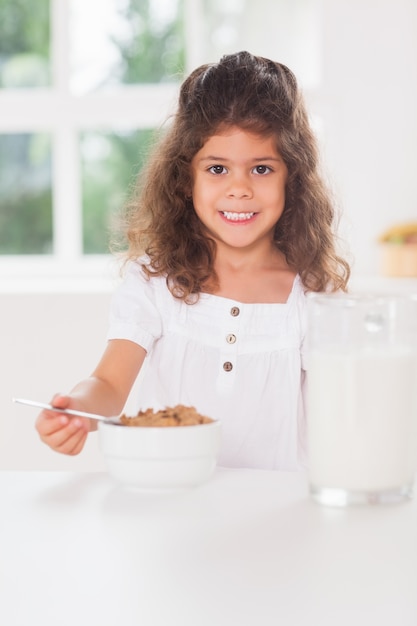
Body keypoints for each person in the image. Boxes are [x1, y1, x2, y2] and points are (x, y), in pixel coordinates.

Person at [35, 51, 350, 470]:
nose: (239, 189)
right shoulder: (155, 282)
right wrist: (75, 410)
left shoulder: (313, 296)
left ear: (292, 176)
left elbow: (341, 418)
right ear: (186, 179)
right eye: (217, 169)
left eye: (261, 169)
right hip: (167, 511)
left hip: (276, 520)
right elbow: (109, 383)